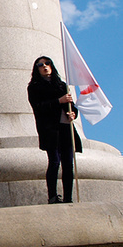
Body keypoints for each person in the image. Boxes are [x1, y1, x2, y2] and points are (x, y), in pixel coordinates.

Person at [27, 56, 82, 204]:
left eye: (47, 63)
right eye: (40, 64)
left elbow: (71, 105)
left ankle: (68, 198)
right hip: (50, 129)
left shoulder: (61, 85)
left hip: (66, 127)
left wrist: (73, 114)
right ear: (36, 68)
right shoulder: (34, 87)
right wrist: (59, 101)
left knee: (68, 164)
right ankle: (52, 196)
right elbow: (38, 107)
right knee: (54, 162)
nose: (44, 66)